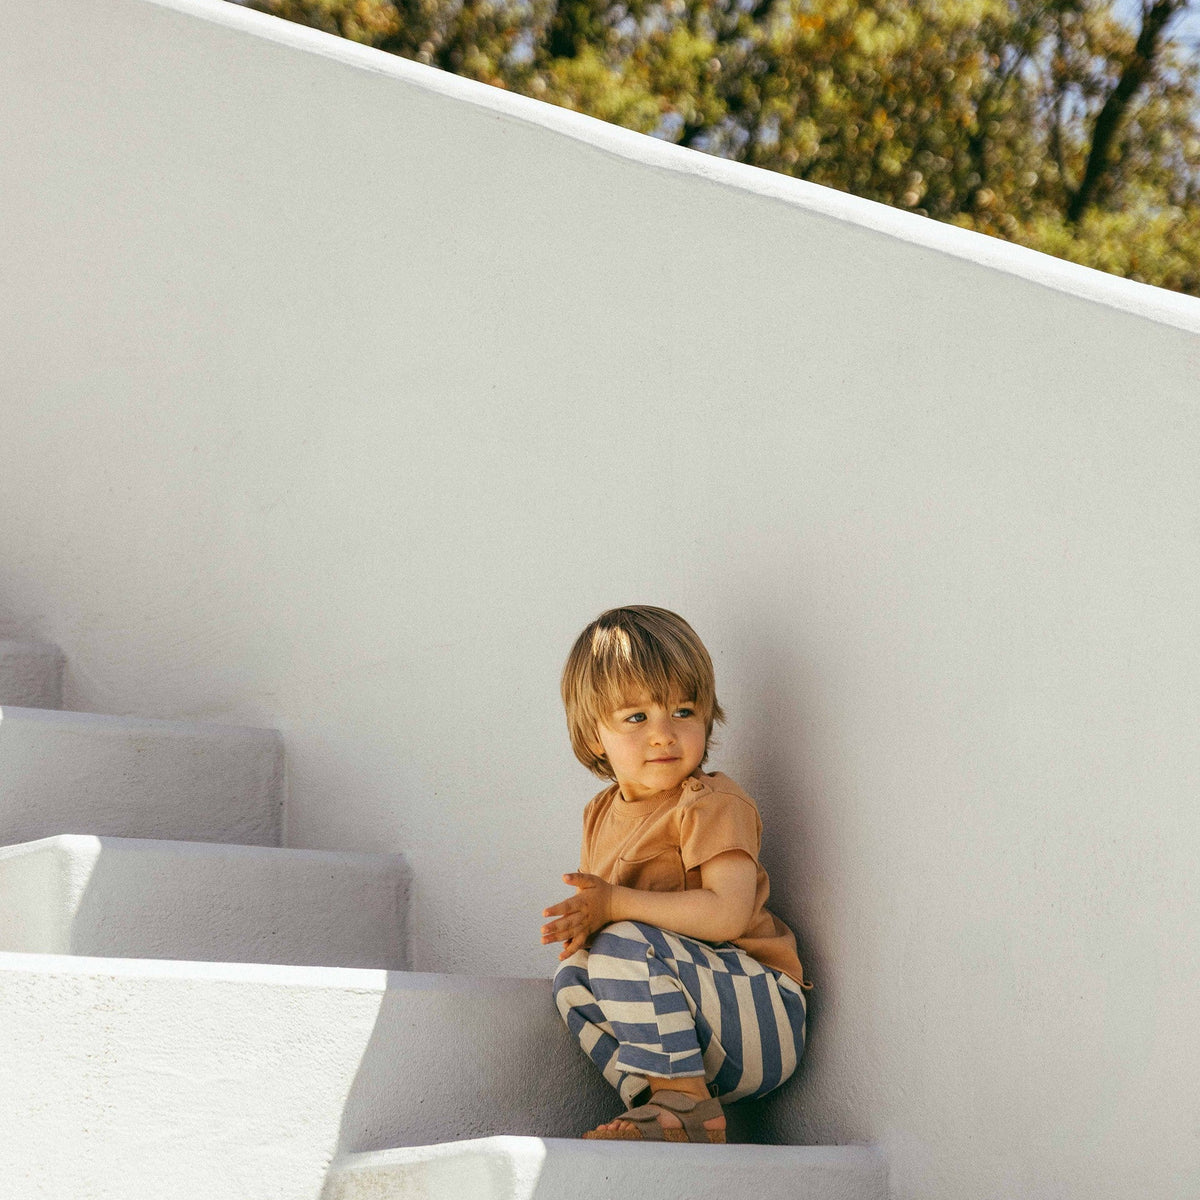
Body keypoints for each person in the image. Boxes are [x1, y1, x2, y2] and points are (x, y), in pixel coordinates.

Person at [542, 605, 811, 1144]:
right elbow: (607, 926)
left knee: (621, 940)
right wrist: (584, 922)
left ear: (706, 718)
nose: (664, 734)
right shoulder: (600, 813)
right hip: (696, 1037)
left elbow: (728, 912)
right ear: (595, 736)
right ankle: (659, 1100)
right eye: (636, 718)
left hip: (761, 1015)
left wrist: (612, 905)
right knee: (571, 977)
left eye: (682, 711)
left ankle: (684, 1106)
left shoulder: (710, 803)